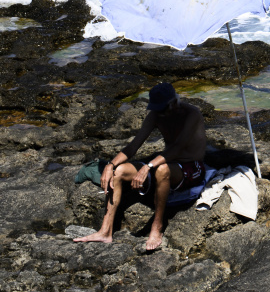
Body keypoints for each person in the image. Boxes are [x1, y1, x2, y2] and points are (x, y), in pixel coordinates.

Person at [74, 82, 208, 251]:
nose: (160, 113)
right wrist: (110, 165)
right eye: (157, 109)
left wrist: (148, 166)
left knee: (161, 170)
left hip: (190, 166)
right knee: (120, 171)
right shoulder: (155, 115)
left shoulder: (191, 114)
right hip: (165, 162)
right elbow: (133, 146)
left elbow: (178, 147)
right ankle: (105, 231)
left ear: (174, 102)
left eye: (162, 109)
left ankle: (156, 227)